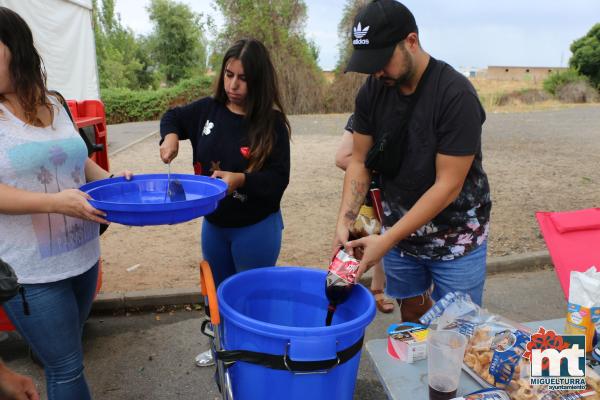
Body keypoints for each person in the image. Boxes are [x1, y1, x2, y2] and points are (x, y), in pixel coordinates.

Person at [0, 7, 132, 399]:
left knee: (69, 354)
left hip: (83, 256)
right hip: (32, 274)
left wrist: (115, 184)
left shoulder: (55, 103)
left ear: (15, 47)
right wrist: (55, 202)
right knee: (66, 368)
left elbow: (79, 159)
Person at [334, 0, 491, 323]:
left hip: (455, 241)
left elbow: (448, 185)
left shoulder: (455, 95)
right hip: (401, 240)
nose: (377, 71)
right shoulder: (373, 91)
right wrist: (345, 223)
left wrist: (386, 240)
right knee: (413, 321)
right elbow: (360, 160)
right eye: (369, 62)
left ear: (411, 41)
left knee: (459, 331)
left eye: (382, 60)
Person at [159, 38, 291, 367]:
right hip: (215, 226)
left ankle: (256, 357)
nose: (233, 84)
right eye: (229, 74)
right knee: (216, 294)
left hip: (256, 229)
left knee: (253, 297)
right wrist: (171, 136)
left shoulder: (271, 123)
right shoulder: (207, 109)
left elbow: (278, 180)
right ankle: (221, 347)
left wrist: (241, 179)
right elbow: (172, 116)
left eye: (243, 78)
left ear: (259, 81)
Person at [335, 114, 394, 314]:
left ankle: (378, 286)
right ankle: (339, 302)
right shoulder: (365, 112)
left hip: (402, 202)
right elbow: (342, 158)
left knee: (385, 242)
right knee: (351, 251)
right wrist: (383, 165)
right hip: (369, 199)